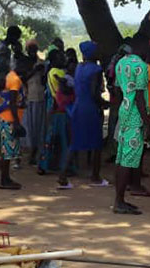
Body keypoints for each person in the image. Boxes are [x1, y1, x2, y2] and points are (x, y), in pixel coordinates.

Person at [58, 41, 109, 187]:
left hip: (78, 107)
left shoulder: (79, 67)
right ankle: (95, 177)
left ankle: (62, 176)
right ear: (92, 53)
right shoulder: (96, 70)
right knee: (97, 143)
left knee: (75, 142)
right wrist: (104, 103)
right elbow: (94, 93)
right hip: (90, 108)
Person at [113, 35, 150, 214]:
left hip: (124, 111)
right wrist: (148, 124)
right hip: (135, 116)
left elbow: (118, 89)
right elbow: (139, 97)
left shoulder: (120, 63)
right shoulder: (141, 67)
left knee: (122, 158)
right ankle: (119, 202)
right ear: (142, 47)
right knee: (128, 161)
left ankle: (119, 199)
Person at [0, 66, 26, 189]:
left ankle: (5, 178)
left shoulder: (10, 75)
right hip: (9, 118)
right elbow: (12, 102)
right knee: (7, 150)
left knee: (7, 149)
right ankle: (4, 180)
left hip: (5, 116)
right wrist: (16, 122)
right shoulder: (16, 80)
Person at [39, 50, 70, 174]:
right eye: (60, 57)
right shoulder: (56, 72)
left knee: (52, 137)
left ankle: (47, 164)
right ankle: (60, 165)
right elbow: (63, 90)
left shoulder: (54, 71)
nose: (63, 59)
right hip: (58, 107)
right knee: (59, 137)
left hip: (55, 106)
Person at [21, 40, 47, 165]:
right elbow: (22, 79)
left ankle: (36, 153)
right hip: (28, 98)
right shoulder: (24, 63)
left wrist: (42, 72)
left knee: (38, 127)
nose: (32, 52)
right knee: (29, 128)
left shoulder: (42, 64)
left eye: (34, 49)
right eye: (30, 49)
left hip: (39, 98)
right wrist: (34, 71)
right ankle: (30, 153)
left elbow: (44, 82)